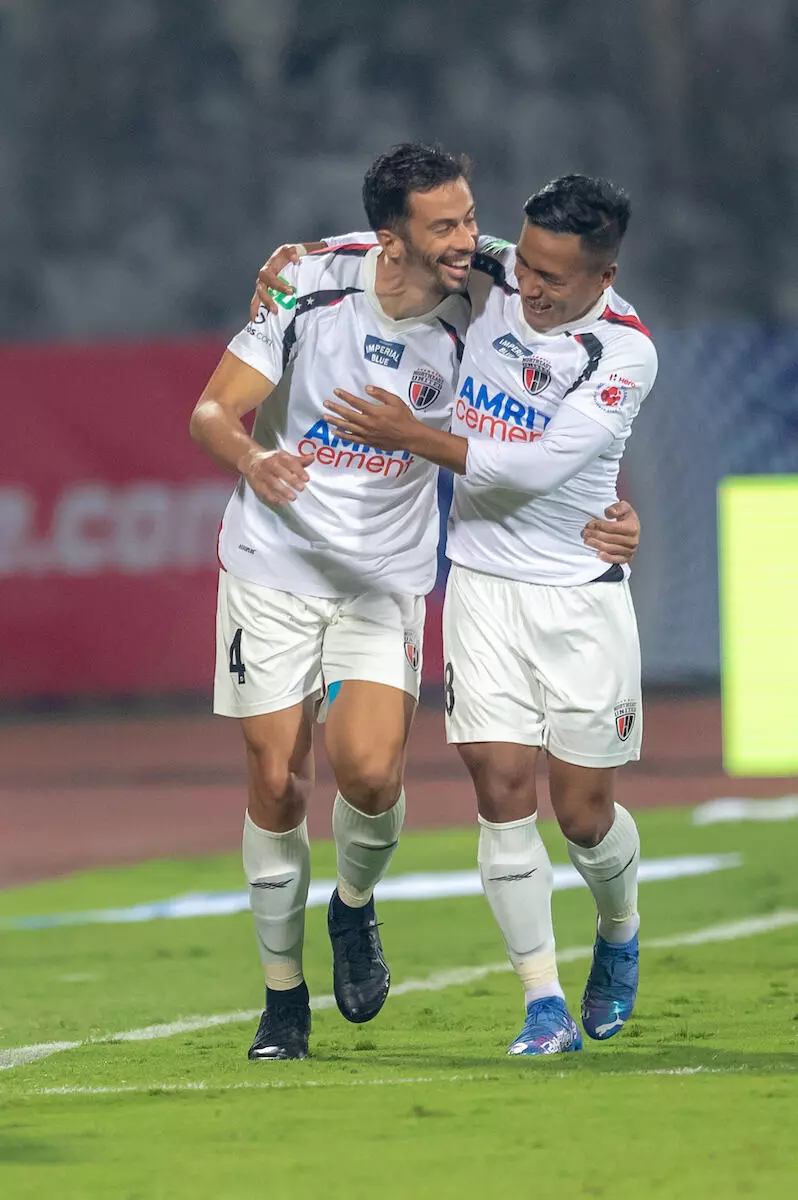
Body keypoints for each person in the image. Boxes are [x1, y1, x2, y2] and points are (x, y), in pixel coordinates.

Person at [301, 174, 656, 1056]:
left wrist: (411, 433)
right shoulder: (498, 266)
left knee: (582, 815)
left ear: (603, 279)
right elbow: (424, 242)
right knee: (501, 794)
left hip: (578, 596)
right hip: (482, 587)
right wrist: (303, 263)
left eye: (554, 280)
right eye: (525, 264)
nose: (527, 287)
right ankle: (541, 1005)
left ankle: (619, 928)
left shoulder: (623, 354)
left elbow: (527, 468)